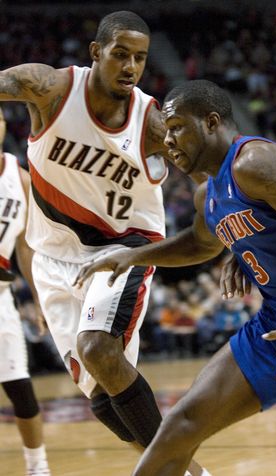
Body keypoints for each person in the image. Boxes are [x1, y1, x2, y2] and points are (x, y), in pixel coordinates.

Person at [75, 80, 276, 476]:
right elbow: (200, 244)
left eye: (177, 126)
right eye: (165, 129)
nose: (168, 139)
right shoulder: (207, 194)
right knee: (180, 426)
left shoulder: (254, 162)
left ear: (211, 122)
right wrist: (133, 256)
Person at [0, 12, 206, 475]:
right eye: (120, 55)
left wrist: (226, 229)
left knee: (98, 350)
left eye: (140, 58)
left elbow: (207, 175)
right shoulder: (49, 89)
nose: (131, 66)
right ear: (96, 53)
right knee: (104, 402)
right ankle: (194, 473)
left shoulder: (154, 123)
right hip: (51, 259)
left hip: (124, 251)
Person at [0, 107, 51, 475]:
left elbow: (25, 248)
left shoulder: (19, 179)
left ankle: (38, 467)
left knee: (20, 386)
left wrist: (38, 299)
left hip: (2, 297)